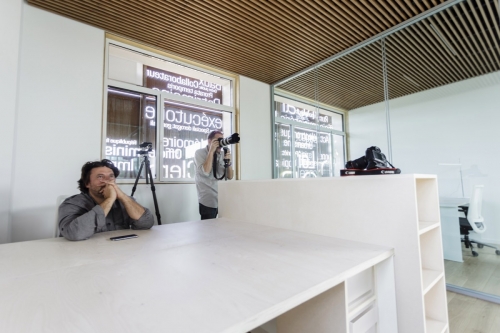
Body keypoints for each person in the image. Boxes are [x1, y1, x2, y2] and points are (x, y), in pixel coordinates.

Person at [58, 159, 154, 241]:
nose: (108, 181)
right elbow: (75, 234)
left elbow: (146, 223)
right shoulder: (71, 204)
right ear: (87, 183)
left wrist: (123, 196)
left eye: (111, 176)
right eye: (100, 177)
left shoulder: (124, 201)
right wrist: (110, 199)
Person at [194, 130, 233, 219]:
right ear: (209, 141)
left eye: (222, 140)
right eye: (218, 140)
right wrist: (211, 151)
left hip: (223, 198)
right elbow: (206, 171)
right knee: (208, 229)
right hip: (208, 200)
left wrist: (229, 162)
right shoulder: (199, 153)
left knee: (224, 227)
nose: (221, 142)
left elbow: (230, 176)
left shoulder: (223, 154)